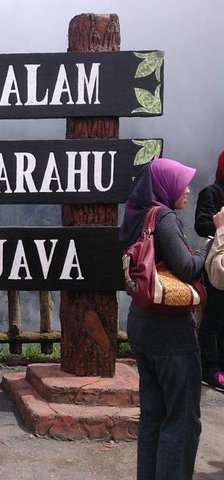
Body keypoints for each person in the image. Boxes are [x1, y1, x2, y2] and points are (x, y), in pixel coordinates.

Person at [119, 158, 207, 480]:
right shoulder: (165, 216)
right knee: (181, 421)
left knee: (153, 416)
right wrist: (211, 245)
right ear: (166, 186)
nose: (188, 189)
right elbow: (186, 267)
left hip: (141, 323)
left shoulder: (136, 215)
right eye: (183, 182)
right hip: (170, 332)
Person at [194, 149, 224, 391]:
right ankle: (210, 368)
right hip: (216, 263)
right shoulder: (212, 193)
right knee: (214, 317)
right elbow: (201, 225)